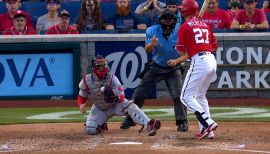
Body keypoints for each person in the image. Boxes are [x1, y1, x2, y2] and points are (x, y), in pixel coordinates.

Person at [120, 10, 188, 132]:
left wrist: (176, 61)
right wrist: (152, 43)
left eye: (170, 20)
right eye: (165, 20)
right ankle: (130, 118)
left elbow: (186, 53)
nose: (167, 23)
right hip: (156, 66)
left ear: (174, 22)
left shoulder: (180, 31)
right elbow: (147, 49)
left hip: (174, 68)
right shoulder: (152, 30)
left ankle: (182, 121)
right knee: (140, 93)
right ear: (160, 21)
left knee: (179, 95)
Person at [77, 55, 161, 136]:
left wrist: (114, 95)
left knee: (131, 106)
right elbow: (82, 94)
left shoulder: (112, 78)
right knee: (90, 129)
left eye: (105, 65)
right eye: (101, 66)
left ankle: (149, 124)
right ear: (95, 68)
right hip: (99, 109)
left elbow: (121, 96)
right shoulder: (86, 80)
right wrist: (81, 104)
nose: (104, 68)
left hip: (115, 105)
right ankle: (101, 124)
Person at [176, 0, 218, 140]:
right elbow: (214, 47)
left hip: (199, 62)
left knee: (185, 97)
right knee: (200, 96)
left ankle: (208, 122)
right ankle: (208, 131)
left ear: (184, 11)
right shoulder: (205, 24)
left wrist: (191, 48)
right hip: (211, 60)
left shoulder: (184, 26)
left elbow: (181, 50)